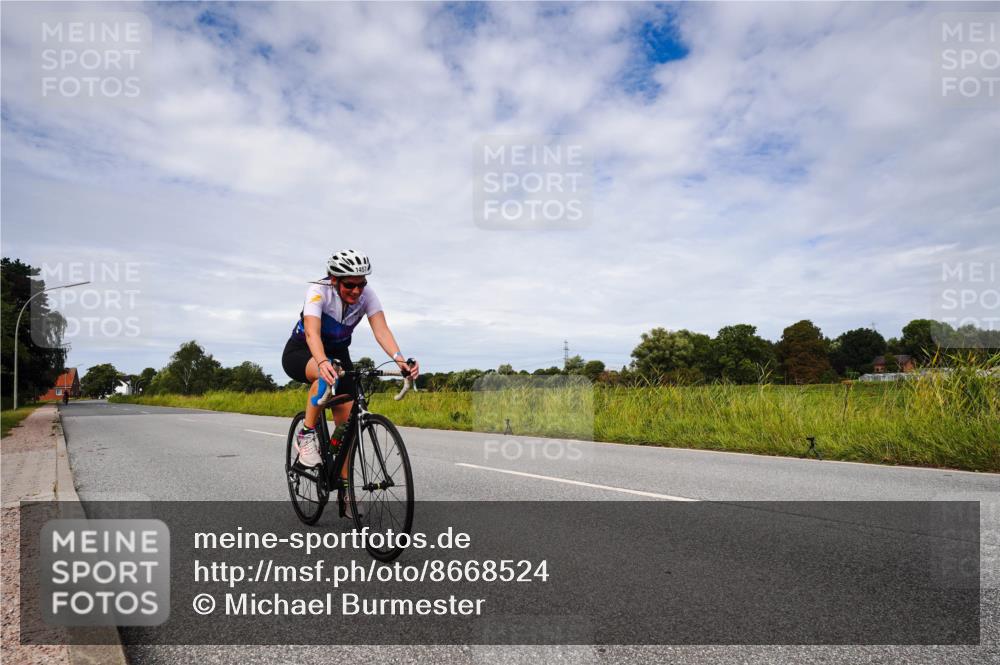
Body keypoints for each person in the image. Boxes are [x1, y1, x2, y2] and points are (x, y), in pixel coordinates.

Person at [281, 249, 419, 469]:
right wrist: (322, 362)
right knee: (326, 376)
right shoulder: (318, 291)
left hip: (338, 354)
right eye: (350, 285)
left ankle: (346, 494)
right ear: (334, 280)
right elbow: (312, 333)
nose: (356, 291)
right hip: (303, 351)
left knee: (347, 433)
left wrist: (400, 361)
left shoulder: (367, 295)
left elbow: (381, 330)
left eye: (361, 284)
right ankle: (306, 435)